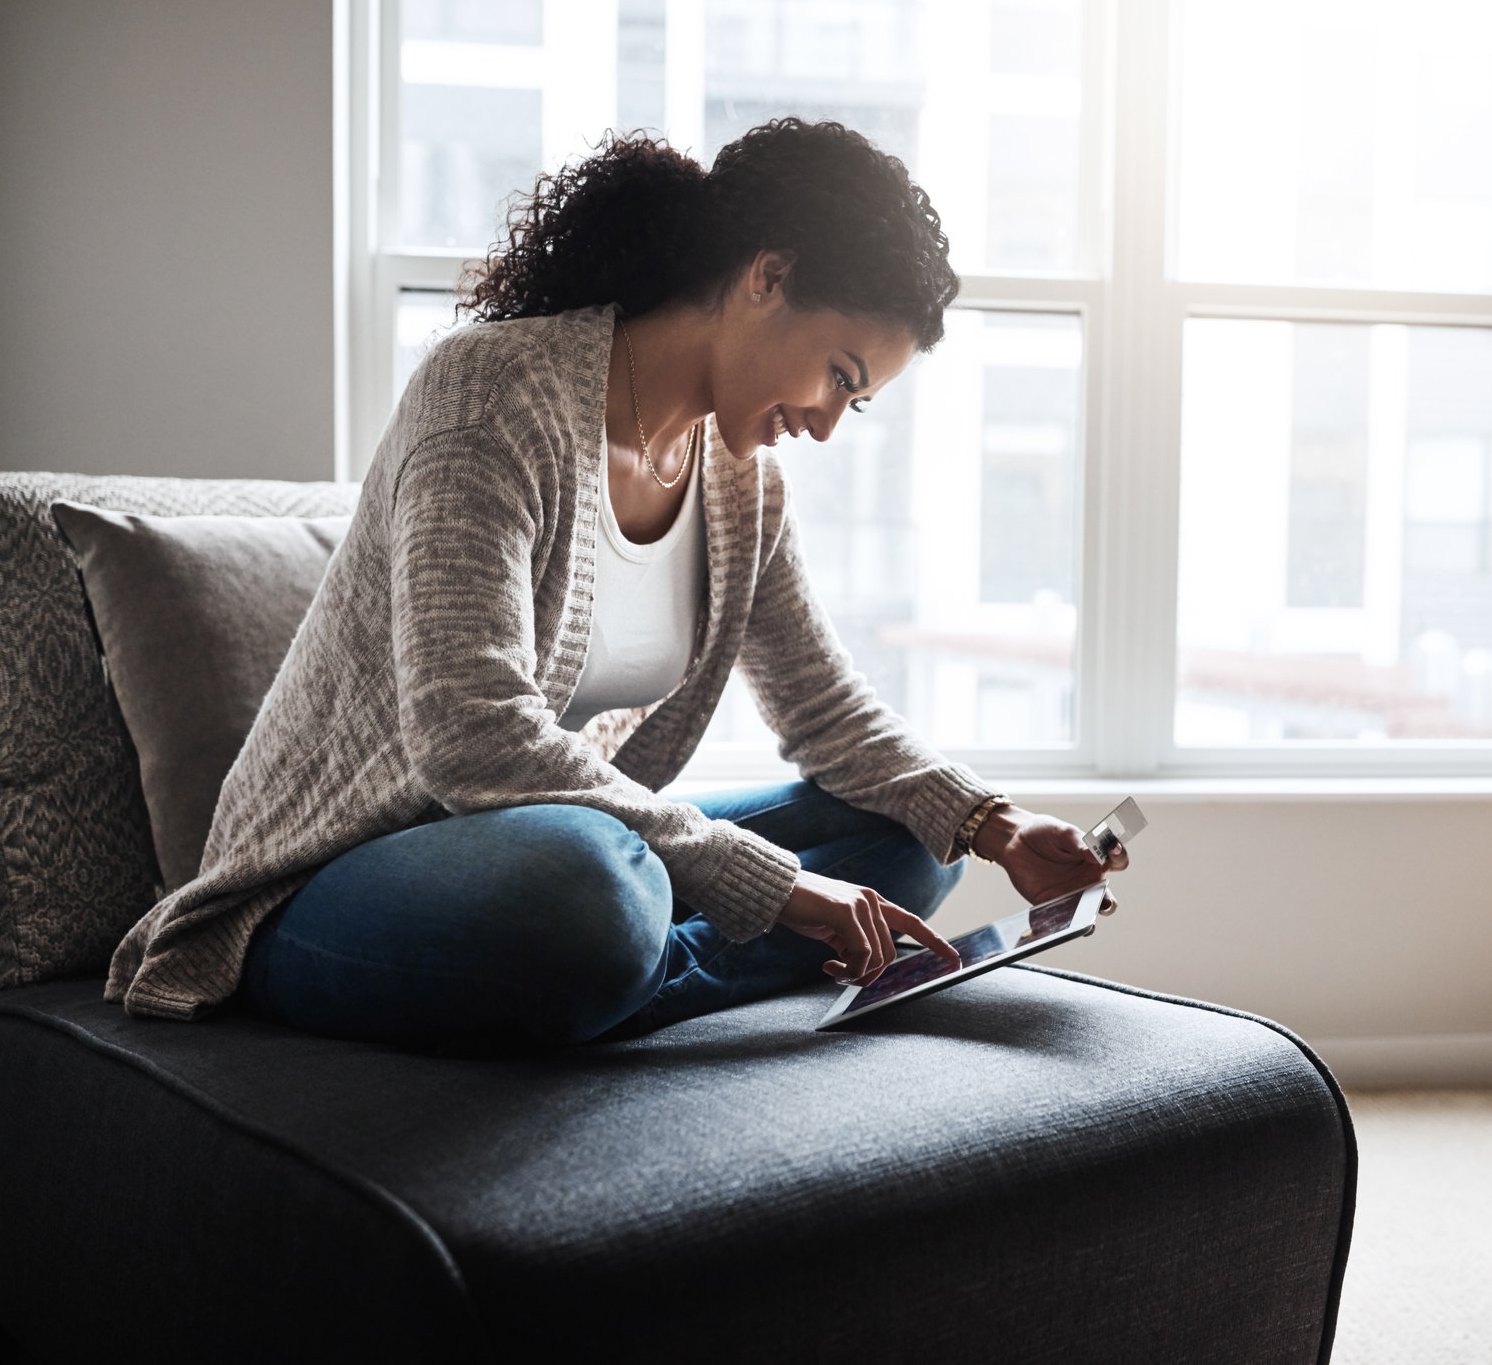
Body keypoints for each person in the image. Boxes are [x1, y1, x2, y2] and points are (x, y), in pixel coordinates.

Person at [99, 116, 1127, 1052]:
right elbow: (472, 735)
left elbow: (826, 711)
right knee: (592, 891)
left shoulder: (742, 486)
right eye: (840, 375)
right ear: (768, 275)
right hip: (337, 879)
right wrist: (768, 887)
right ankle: (630, 963)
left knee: (911, 843)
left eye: (853, 404)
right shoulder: (492, 393)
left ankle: (619, 979)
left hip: (547, 850)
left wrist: (993, 824)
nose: (825, 419)